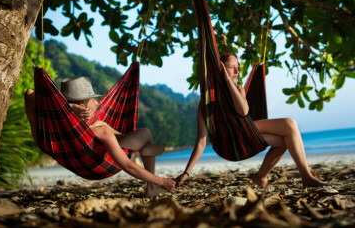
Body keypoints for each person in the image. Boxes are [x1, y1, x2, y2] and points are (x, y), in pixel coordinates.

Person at [175, 52, 326, 188]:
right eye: (231, 67)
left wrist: (231, 83)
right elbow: (201, 142)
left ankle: (261, 177)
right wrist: (186, 173)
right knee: (289, 124)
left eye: (238, 67)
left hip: (244, 136)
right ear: (220, 70)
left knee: (286, 141)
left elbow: (243, 110)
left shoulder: (239, 89)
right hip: (228, 145)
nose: (237, 71)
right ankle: (306, 177)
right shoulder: (206, 102)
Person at [24, 76, 176, 197]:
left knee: (100, 123)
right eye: (93, 100)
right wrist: (162, 182)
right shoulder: (102, 131)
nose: (97, 103)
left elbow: (29, 94)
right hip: (102, 162)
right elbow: (128, 166)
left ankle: (143, 149)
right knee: (145, 133)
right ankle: (150, 184)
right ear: (83, 106)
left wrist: (69, 108)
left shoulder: (50, 130)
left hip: (78, 155)